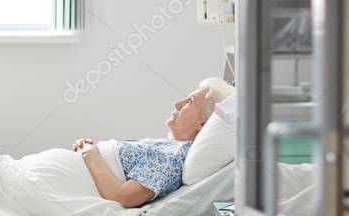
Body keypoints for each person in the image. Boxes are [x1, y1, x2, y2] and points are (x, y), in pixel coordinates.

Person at [71, 78, 232, 208]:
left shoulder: (172, 156)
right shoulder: (168, 148)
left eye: (189, 102)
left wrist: (89, 152)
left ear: (202, 124)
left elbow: (122, 197)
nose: (177, 104)